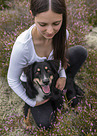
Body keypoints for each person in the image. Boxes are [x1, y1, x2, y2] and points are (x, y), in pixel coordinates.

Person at [7, 0, 87, 129]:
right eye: (43, 24)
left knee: (80, 52)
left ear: (63, 16)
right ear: (32, 15)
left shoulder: (63, 34)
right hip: (33, 80)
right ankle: (64, 89)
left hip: (51, 71)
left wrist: (62, 75)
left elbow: (59, 57)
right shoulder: (23, 46)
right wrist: (31, 102)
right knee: (45, 123)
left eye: (56, 23)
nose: (50, 31)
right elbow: (12, 79)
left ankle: (68, 81)